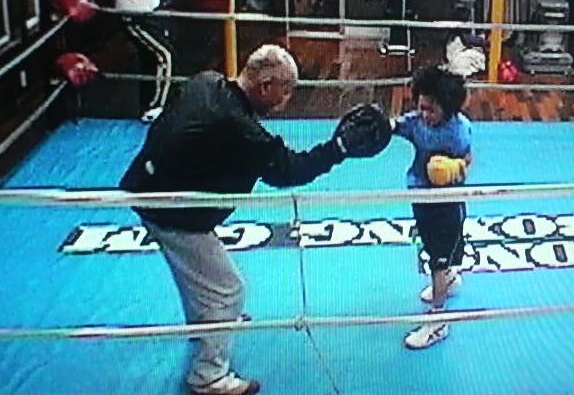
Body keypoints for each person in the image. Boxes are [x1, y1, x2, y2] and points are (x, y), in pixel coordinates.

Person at [119, 45, 391, 394]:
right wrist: (337, 149)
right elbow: (289, 170)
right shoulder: (241, 129)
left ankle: (205, 327)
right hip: (172, 210)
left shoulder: (206, 82)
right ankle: (208, 376)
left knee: (197, 274)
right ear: (265, 86)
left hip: (150, 185)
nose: (286, 100)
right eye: (285, 91)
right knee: (228, 290)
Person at [390, 66, 473, 350]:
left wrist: (454, 169)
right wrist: (381, 127)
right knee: (430, 250)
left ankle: (438, 322)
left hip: (447, 205)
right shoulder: (417, 123)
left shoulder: (458, 131)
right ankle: (449, 279)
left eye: (431, 109)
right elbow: (397, 126)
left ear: (447, 107)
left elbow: (468, 160)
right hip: (421, 198)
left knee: (438, 259)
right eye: (421, 107)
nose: (424, 114)